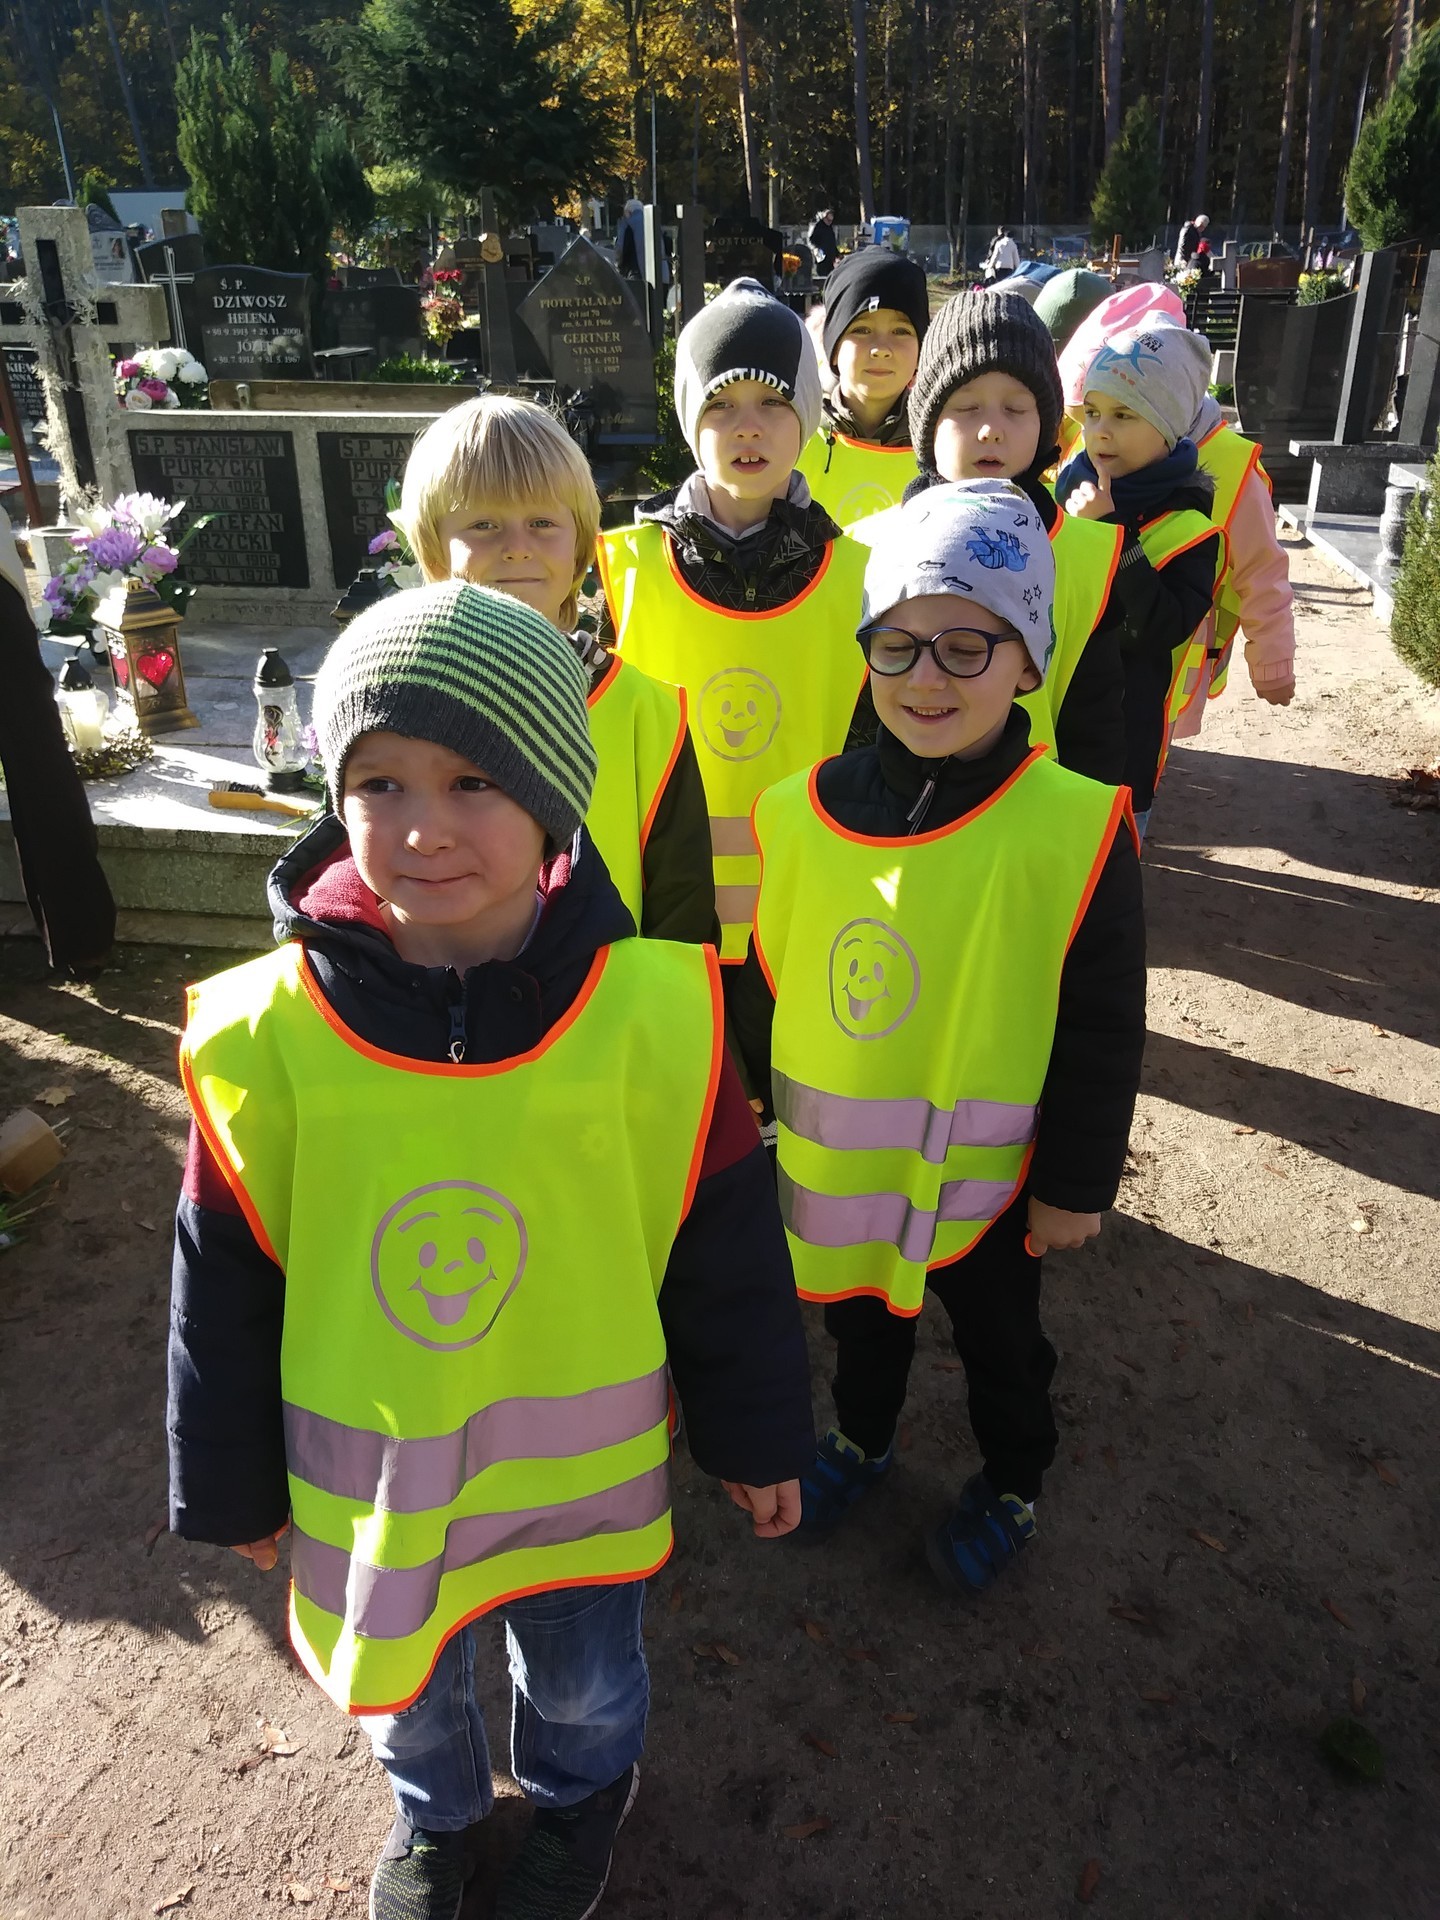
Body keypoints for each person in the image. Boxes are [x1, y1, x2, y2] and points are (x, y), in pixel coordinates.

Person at [167, 581, 814, 1920]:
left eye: (475, 780)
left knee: (582, 1685)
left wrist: (755, 1437)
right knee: (405, 1689)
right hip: (379, 1482)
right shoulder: (262, 1036)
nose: (423, 826)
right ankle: (438, 1819)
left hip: (575, 1496)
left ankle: (577, 1803)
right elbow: (220, 1279)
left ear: (557, 794)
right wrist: (230, 1484)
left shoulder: (657, 1015)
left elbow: (727, 1255)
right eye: (380, 782)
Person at [727, 481, 1146, 1592]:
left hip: (993, 1186)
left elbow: (1104, 1022)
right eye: (897, 646)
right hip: (849, 1173)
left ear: (1029, 662)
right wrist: (750, 1098)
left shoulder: (1074, 827)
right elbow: (769, 971)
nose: (926, 679)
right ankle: (862, 1440)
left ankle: (1013, 1480)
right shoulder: (798, 811)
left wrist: (1075, 1185)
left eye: (968, 648)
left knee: (1003, 1342)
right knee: (860, 1321)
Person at [597, 278, 869, 968]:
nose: (748, 427)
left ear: (807, 413)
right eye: (720, 404)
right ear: (690, 420)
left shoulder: (860, 581)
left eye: (773, 402)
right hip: (656, 930)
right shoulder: (624, 574)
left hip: (811, 931)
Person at [400, 393, 715, 944]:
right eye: (483, 524)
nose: (517, 548)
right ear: (433, 549)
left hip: (609, 993)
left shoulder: (647, 713)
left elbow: (682, 915)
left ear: (580, 547)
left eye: (543, 522)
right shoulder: (396, 705)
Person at [893, 289, 1129, 784]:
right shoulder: (877, 546)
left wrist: (1087, 820)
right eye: (967, 406)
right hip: (894, 813)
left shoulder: (1088, 557)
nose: (990, 430)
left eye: (1015, 408)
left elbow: (1098, 721)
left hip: (1036, 809)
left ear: (1046, 425)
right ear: (927, 424)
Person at [1056, 317, 1225, 834]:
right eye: (1092, 412)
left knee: (1106, 865)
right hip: (1046, 727)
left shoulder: (1191, 531)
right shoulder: (1062, 491)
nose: (1100, 431)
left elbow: (1157, 629)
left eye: (1124, 414)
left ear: (1168, 427)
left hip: (1121, 749)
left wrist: (1112, 536)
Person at [795, 248, 930, 525]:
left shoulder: (940, 446)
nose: (881, 349)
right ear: (833, 348)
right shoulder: (796, 437)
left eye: (901, 331)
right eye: (862, 330)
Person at [807, 207, 839, 283]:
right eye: (828, 220)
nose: (830, 222)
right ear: (824, 218)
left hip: (830, 257)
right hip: (821, 256)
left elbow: (831, 242)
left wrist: (837, 253)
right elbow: (810, 240)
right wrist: (815, 248)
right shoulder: (817, 226)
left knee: (830, 278)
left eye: (831, 220)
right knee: (822, 277)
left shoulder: (829, 228)